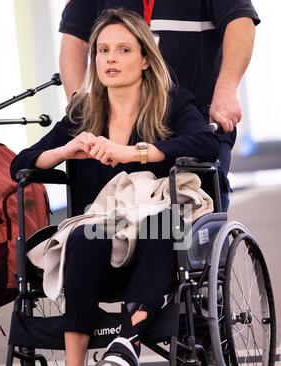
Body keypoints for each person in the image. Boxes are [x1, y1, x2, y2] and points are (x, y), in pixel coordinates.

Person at [11, 9, 220, 366]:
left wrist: (136, 153)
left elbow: (206, 145)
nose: (110, 58)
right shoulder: (83, 112)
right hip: (107, 239)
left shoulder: (171, 102)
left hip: (157, 237)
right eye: (103, 50)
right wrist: (64, 151)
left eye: (123, 50)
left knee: (163, 226)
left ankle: (126, 347)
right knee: (83, 237)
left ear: (144, 58)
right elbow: (24, 161)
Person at [59, 0, 260, 211]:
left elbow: (240, 22)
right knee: (104, 214)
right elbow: (75, 40)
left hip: (195, 119)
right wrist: (82, 108)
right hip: (126, 123)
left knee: (193, 209)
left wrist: (226, 90)